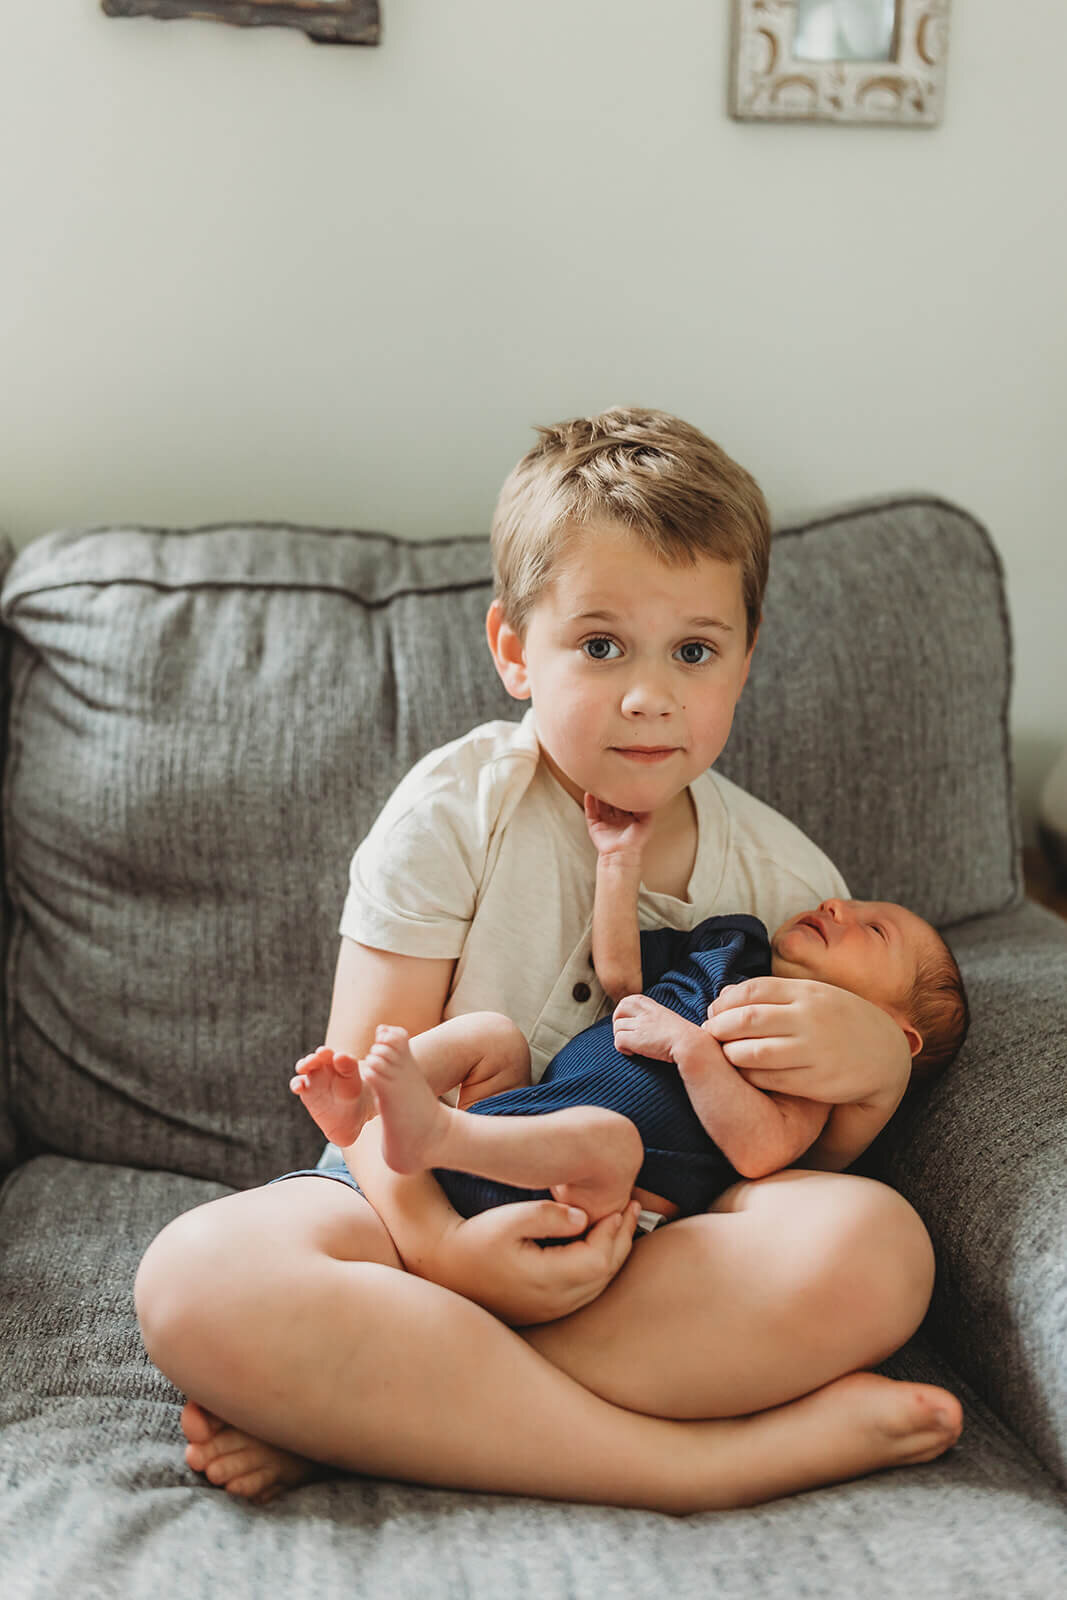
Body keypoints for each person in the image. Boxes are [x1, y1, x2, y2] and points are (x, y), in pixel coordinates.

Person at [135, 407, 964, 1512]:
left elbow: (791, 1157)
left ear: (743, 660)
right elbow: (358, 1091)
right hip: (405, 1207)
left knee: (877, 1247)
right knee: (195, 1279)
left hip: (637, 1247)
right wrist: (439, 1250)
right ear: (515, 652)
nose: (647, 693)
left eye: (694, 650)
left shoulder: (785, 882)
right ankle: (693, 1465)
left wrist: (877, 1064)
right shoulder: (453, 809)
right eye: (600, 643)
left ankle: (377, 1412)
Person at [289, 796, 969, 1247]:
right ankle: (369, 1107)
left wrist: (691, 1049)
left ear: (891, 1028)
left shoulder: (812, 1060)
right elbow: (620, 979)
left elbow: (761, 1152)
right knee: (491, 1036)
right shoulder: (730, 945)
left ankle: (435, 1134)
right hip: (517, 1119)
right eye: (848, 904)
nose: (837, 906)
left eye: (872, 930)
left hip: (595, 1198)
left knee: (607, 1138)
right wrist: (617, 862)